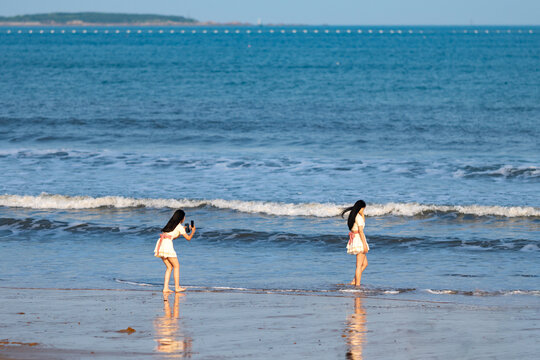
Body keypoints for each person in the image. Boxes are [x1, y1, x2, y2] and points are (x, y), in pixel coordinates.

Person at [154, 209, 196, 293]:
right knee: (176, 266)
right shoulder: (179, 227)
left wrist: (181, 232)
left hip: (161, 243)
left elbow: (172, 236)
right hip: (167, 245)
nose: (184, 218)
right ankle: (177, 287)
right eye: (184, 217)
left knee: (169, 267)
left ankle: (165, 288)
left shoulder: (170, 225)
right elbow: (188, 238)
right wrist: (193, 231)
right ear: (181, 218)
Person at [341, 200, 369, 287]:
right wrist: (364, 245)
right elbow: (361, 231)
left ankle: (354, 280)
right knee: (359, 265)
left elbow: (362, 224)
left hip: (355, 238)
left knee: (365, 264)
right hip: (359, 240)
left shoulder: (354, 216)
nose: (363, 211)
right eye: (363, 209)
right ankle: (357, 285)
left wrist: (362, 214)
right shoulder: (358, 217)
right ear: (360, 208)